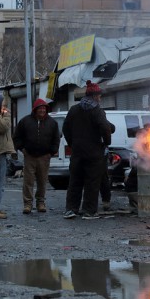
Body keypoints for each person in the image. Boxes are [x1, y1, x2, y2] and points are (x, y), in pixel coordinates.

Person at [62, 80, 113, 219]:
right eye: (99, 96)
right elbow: (105, 128)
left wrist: (73, 143)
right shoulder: (97, 110)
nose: (100, 98)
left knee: (75, 181)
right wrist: (106, 143)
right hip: (94, 153)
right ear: (95, 96)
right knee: (92, 182)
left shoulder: (74, 110)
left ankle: (71, 209)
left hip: (77, 153)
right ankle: (89, 211)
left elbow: (65, 128)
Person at [13, 98, 60, 215]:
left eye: (44, 108)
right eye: (40, 108)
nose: (42, 110)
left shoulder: (52, 123)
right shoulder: (25, 121)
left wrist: (51, 152)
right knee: (28, 181)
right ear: (35, 109)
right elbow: (17, 137)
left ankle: (41, 203)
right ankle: (27, 204)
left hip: (45, 157)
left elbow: (56, 139)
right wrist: (22, 149)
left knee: (42, 181)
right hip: (29, 156)